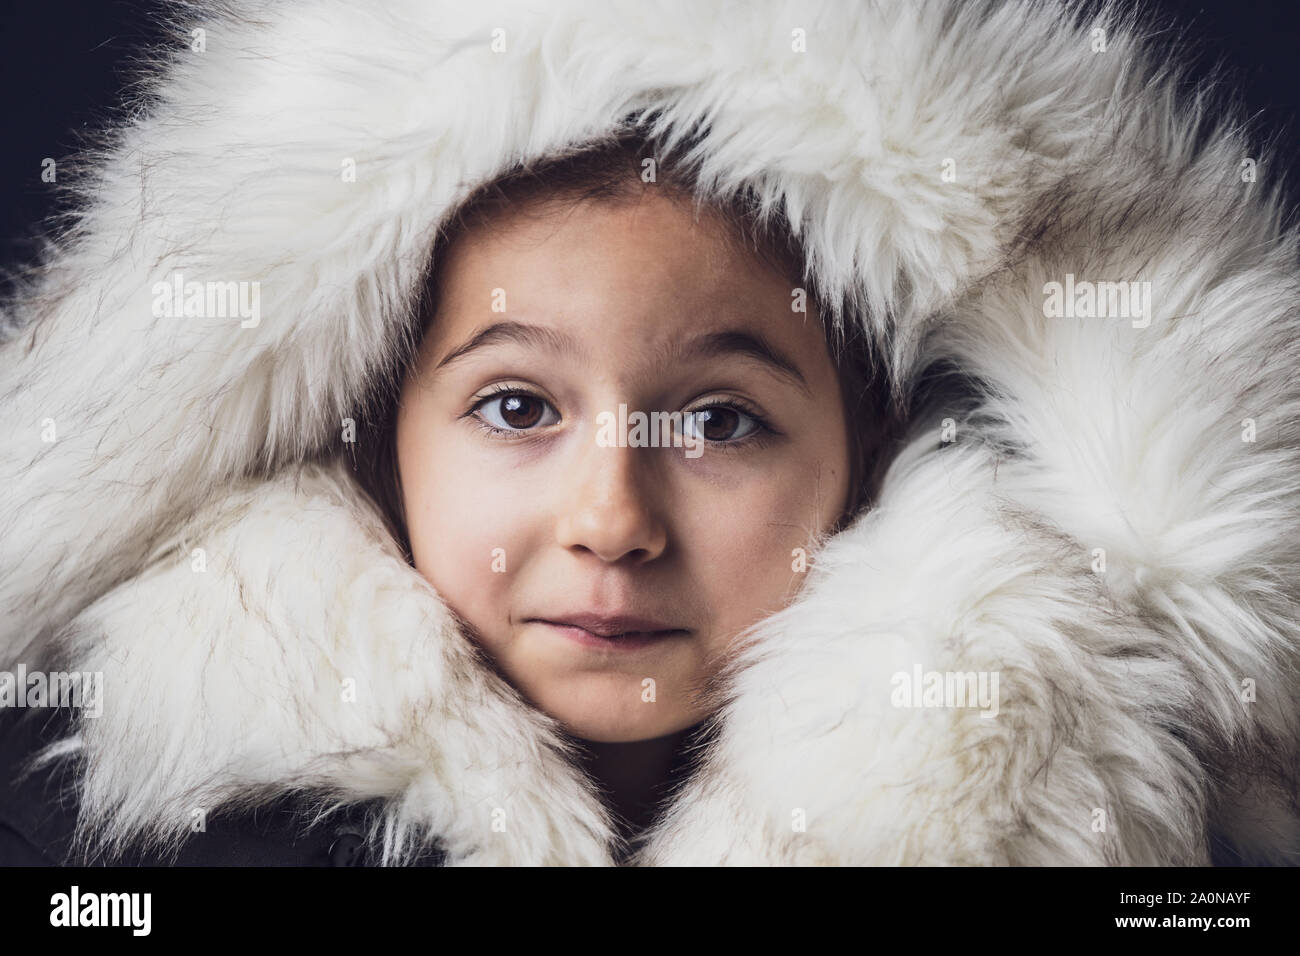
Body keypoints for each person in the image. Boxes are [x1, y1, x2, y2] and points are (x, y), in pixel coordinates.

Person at [1, 0, 1297, 867]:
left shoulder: (1148, 846)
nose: (612, 519)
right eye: (516, 407)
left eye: (722, 419)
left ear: (872, 452)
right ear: (374, 438)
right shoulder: (124, 840)